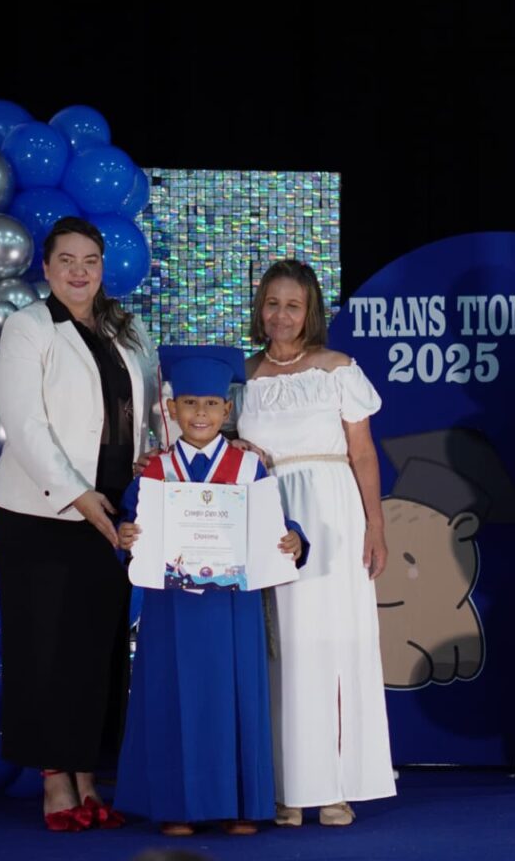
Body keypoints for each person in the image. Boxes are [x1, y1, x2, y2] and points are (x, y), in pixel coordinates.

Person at [0, 216, 165, 832]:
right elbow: (24, 424)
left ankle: (88, 776)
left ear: (102, 266)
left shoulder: (127, 327)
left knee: (97, 648)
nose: (79, 271)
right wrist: (78, 495)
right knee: (45, 646)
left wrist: (152, 458)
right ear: (46, 267)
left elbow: (150, 407)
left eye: (90, 260)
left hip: (113, 508)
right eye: (66, 260)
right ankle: (54, 783)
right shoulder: (28, 327)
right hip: (42, 511)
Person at [114, 345, 308, 836]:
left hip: (232, 604)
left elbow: (276, 524)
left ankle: (240, 804)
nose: (200, 413)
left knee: (233, 697)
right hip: (172, 605)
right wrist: (125, 535)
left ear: (227, 409)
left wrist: (294, 539)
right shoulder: (155, 471)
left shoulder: (249, 469)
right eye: (189, 403)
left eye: (210, 404)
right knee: (173, 698)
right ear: (172, 408)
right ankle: (177, 807)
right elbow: (129, 525)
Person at [234, 259, 396, 827]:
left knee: (332, 645)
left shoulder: (338, 369)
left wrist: (376, 525)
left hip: (332, 515)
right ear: (260, 309)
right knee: (281, 650)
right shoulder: (242, 377)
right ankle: (287, 787)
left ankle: (333, 787)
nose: (281, 315)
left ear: (310, 313)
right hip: (269, 517)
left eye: (293, 306)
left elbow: (364, 454)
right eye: (272, 304)